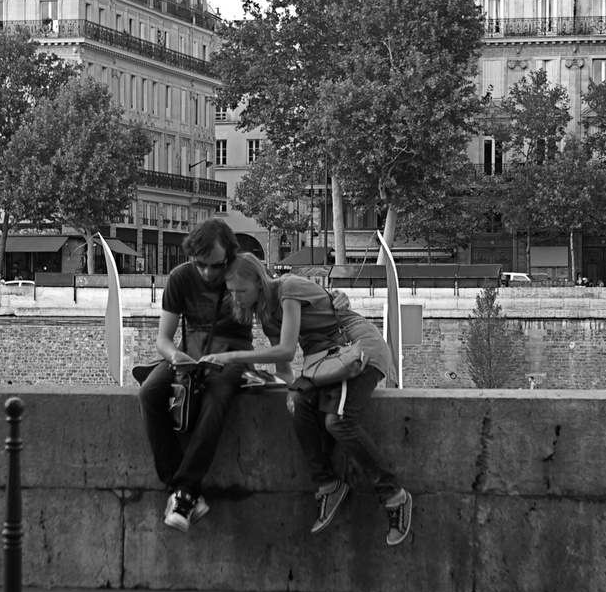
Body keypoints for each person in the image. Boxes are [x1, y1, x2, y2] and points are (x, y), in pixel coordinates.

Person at [201, 252, 412, 547]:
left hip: (360, 349)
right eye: (232, 291)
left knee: (338, 420)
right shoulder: (267, 318)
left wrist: (231, 356)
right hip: (328, 361)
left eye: (241, 290)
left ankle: (393, 495)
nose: (236, 297)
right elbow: (286, 373)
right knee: (297, 402)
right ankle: (328, 484)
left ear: (260, 282)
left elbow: (287, 351)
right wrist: (257, 380)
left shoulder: (288, 288)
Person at [138, 219, 253, 534]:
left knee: (216, 397)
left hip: (233, 354)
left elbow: (280, 298)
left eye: (215, 266)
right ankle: (182, 489)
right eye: (199, 265)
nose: (206, 273)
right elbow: (163, 339)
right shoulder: (180, 278)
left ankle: (185, 492)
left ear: (229, 256)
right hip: (189, 354)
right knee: (149, 393)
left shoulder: (243, 274)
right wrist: (175, 357)